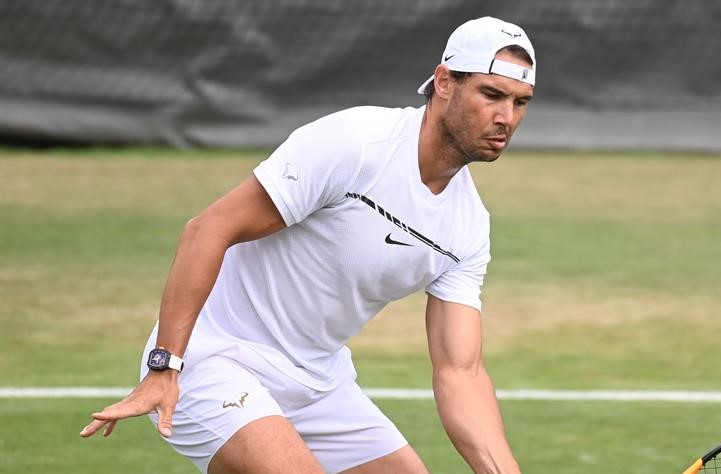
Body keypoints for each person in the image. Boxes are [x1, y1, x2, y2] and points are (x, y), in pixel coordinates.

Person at [80, 16, 536, 474]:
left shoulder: (469, 227)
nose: (506, 118)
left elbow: (461, 373)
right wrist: (164, 365)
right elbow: (207, 230)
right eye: (491, 94)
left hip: (320, 384)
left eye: (520, 102)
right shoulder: (355, 143)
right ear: (443, 82)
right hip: (213, 359)